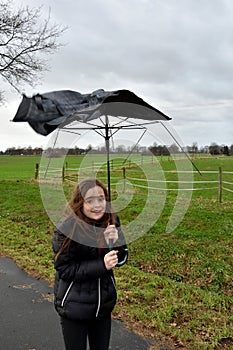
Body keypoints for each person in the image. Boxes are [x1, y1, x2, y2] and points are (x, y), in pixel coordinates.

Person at [52, 178, 128, 350]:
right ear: (80, 202)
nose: (97, 205)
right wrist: (101, 265)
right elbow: (65, 269)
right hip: (74, 308)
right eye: (90, 200)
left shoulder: (111, 222)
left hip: (103, 307)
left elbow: (122, 258)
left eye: (101, 199)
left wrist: (117, 243)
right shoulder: (67, 228)